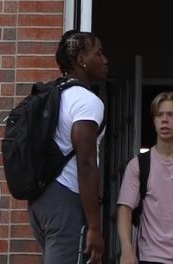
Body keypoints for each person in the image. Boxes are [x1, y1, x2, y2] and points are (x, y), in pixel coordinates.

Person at [30, 30, 111, 264]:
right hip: (65, 199)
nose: (105, 60)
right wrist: (94, 227)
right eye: (99, 53)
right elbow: (86, 163)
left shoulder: (54, 94)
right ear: (81, 59)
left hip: (40, 201)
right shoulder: (86, 101)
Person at [117, 92, 173, 264]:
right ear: (154, 121)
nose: (164, 120)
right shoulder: (139, 165)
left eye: (171, 114)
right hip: (151, 257)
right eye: (159, 115)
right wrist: (126, 250)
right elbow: (125, 209)